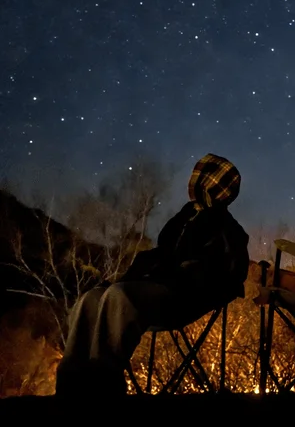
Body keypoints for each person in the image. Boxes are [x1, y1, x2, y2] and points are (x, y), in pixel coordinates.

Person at [55, 153, 249, 396]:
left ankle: (102, 384)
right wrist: (128, 276)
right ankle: (71, 382)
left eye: (202, 176)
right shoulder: (185, 217)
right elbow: (160, 256)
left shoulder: (228, 229)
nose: (194, 181)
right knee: (91, 299)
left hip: (185, 296)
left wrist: (187, 274)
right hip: (158, 286)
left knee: (119, 296)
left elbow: (229, 271)